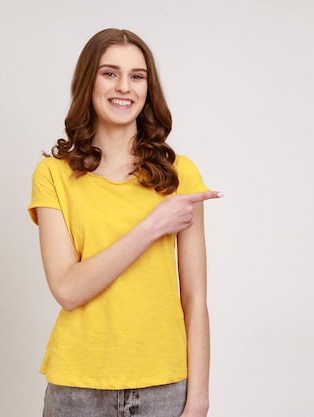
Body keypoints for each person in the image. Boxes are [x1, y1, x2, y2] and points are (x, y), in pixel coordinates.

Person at [28, 28, 222, 417]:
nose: (124, 87)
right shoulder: (52, 175)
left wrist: (198, 400)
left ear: (148, 88)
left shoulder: (179, 175)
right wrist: (152, 226)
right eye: (109, 73)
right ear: (89, 81)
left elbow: (194, 299)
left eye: (137, 76)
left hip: (165, 389)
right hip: (77, 391)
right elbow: (67, 289)